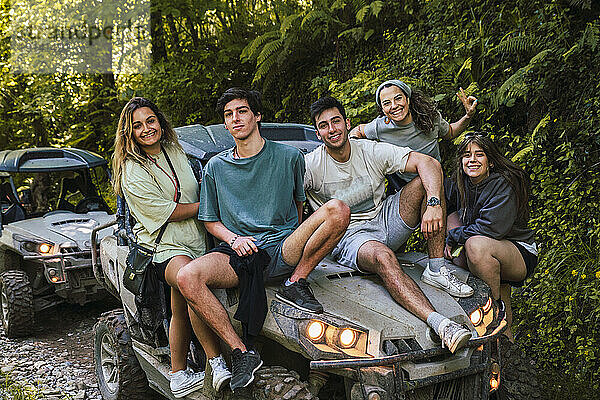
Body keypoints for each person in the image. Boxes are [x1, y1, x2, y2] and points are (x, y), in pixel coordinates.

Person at [176, 88, 350, 392]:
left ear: (257, 116)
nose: (235, 118)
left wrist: (291, 242)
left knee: (338, 209)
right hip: (239, 254)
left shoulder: (289, 157)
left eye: (242, 111)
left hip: (284, 248)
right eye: (228, 115)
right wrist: (234, 239)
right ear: (226, 125)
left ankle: (297, 280)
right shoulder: (216, 167)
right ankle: (242, 353)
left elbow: (298, 207)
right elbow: (209, 220)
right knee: (187, 276)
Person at [304, 95, 474, 354]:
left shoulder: (368, 150)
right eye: (324, 125)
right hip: (350, 236)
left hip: (384, 217)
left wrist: (434, 203)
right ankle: (441, 324)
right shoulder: (311, 165)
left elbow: (428, 162)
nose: (332, 129)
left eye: (336, 121)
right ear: (318, 134)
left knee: (426, 182)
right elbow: (285, 196)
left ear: (347, 123)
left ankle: (436, 268)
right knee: (383, 256)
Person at [112, 97, 231, 398]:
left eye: (150, 121)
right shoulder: (130, 170)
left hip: (196, 240)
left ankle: (178, 374)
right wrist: (208, 206)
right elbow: (168, 212)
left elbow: (199, 186)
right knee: (189, 279)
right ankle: (216, 363)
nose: (146, 129)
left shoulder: (175, 150)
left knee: (181, 307)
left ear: (160, 122)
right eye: (137, 126)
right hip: (164, 246)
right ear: (129, 133)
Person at [445, 133, 538, 341]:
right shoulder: (462, 183)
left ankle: (492, 315)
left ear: (491, 161)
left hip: (517, 250)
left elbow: (491, 229)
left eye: (480, 155)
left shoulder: (503, 183)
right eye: (467, 155)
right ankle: (503, 344)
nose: (472, 160)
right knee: (502, 334)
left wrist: (453, 236)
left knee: (475, 246)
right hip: (490, 250)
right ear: (460, 161)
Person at [350, 79, 477, 184]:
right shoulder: (380, 126)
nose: (394, 106)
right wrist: (353, 143)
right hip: (404, 186)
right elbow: (359, 130)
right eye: (387, 103)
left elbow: (450, 132)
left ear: (408, 99)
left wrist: (468, 116)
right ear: (383, 110)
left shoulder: (429, 117)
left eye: (398, 98)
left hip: (436, 179)